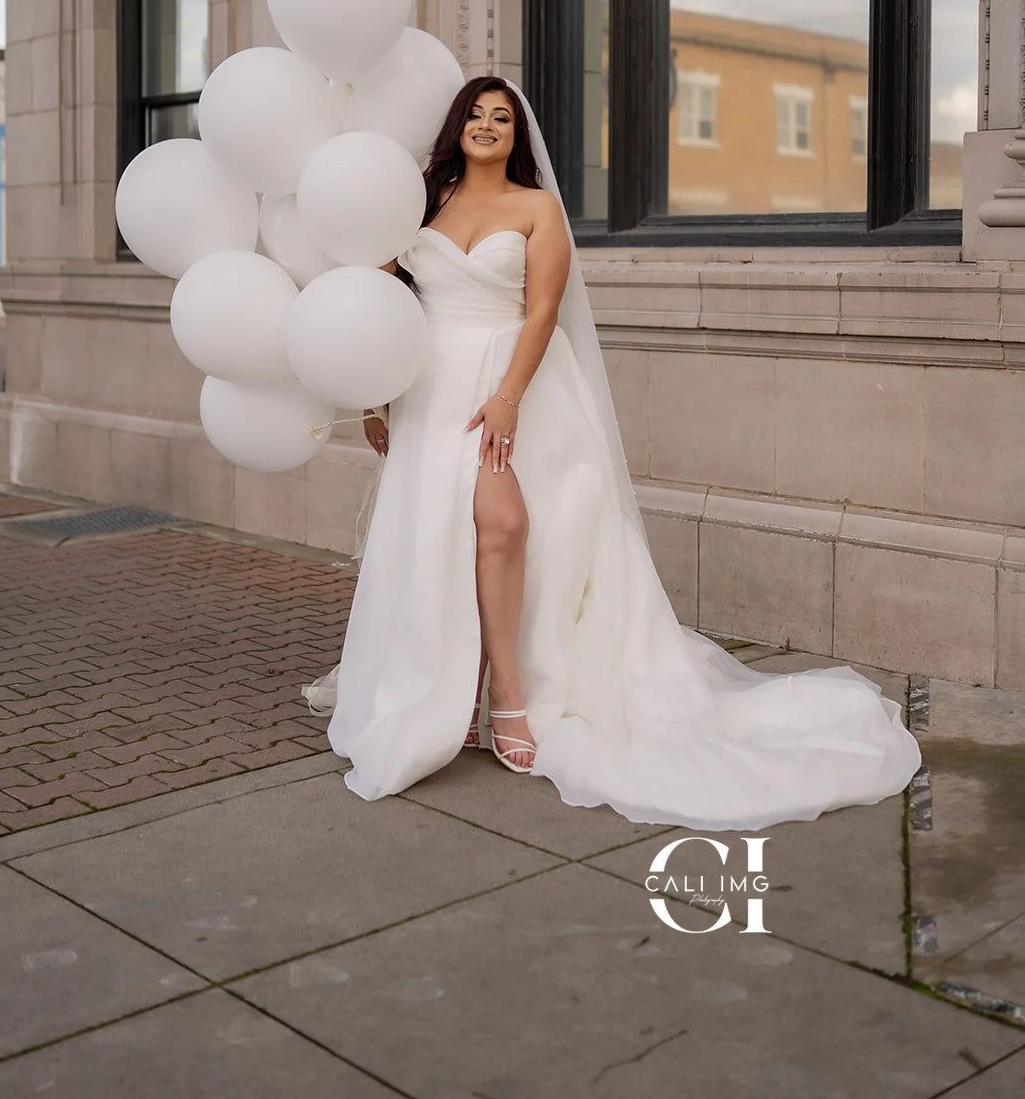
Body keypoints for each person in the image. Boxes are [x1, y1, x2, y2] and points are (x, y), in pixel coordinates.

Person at [301, 76, 921, 828]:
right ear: (455, 127)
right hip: (427, 390)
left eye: (501, 117)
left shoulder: (535, 209)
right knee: (438, 537)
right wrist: (375, 395)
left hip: (507, 387)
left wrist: (505, 398)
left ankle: (509, 696)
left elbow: (541, 312)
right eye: (475, 113)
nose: (487, 124)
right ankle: (451, 691)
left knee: (503, 528)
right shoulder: (421, 207)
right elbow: (379, 303)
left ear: (516, 136)